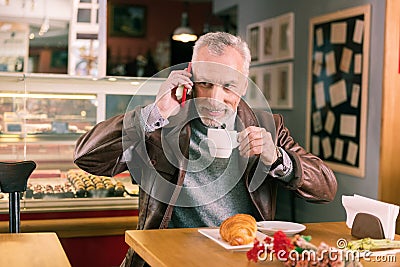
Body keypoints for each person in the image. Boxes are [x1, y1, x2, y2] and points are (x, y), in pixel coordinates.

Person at [74, 32, 337, 267]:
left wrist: (276, 156)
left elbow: (326, 188)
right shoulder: (159, 125)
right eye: (206, 83)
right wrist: (155, 113)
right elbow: (87, 157)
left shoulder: (269, 127)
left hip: (240, 259)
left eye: (228, 86)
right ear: (189, 75)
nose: (214, 100)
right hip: (163, 259)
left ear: (244, 85)